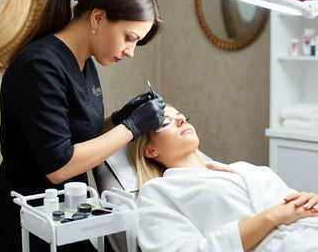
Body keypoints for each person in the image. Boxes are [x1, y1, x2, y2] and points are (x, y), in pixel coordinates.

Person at [0, 0, 165, 252]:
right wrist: (131, 127)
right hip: (29, 222)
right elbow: (59, 165)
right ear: (98, 17)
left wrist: (121, 117)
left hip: (68, 215)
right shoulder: (39, 66)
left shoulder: (84, 62)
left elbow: (78, 134)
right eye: (129, 37)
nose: (130, 51)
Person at [127, 104, 318, 252]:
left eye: (182, 117)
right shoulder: (158, 192)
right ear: (150, 150)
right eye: (165, 123)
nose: (181, 121)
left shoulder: (242, 169)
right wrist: (272, 217)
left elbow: (290, 203)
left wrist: (309, 202)